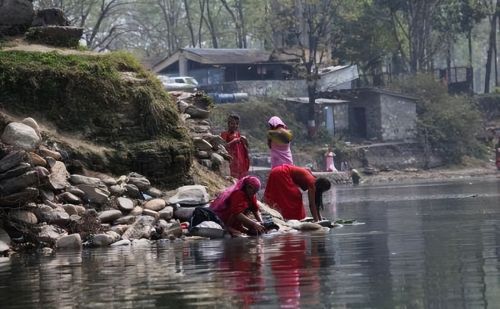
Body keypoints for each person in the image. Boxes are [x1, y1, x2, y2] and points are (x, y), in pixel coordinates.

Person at [264, 164, 331, 222]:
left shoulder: (313, 180)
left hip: (277, 171)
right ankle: (292, 218)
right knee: (296, 196)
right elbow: (312, 204)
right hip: (282, 173)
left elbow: (316, 204)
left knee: (284, 196)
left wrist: (320, 218)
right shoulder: (312, 184)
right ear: (320, 187)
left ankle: (284, 216)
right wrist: (317, 221)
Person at [221, 114, 250, 179]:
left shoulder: (237, 134)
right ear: (228, 124)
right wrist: (234, 141)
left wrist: (245, 140)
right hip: (231, 162)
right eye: (232, 123)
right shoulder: (225, 134)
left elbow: (246, 147)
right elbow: (222, 147)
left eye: (237, 124)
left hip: (240, 162)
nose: (235, 126)